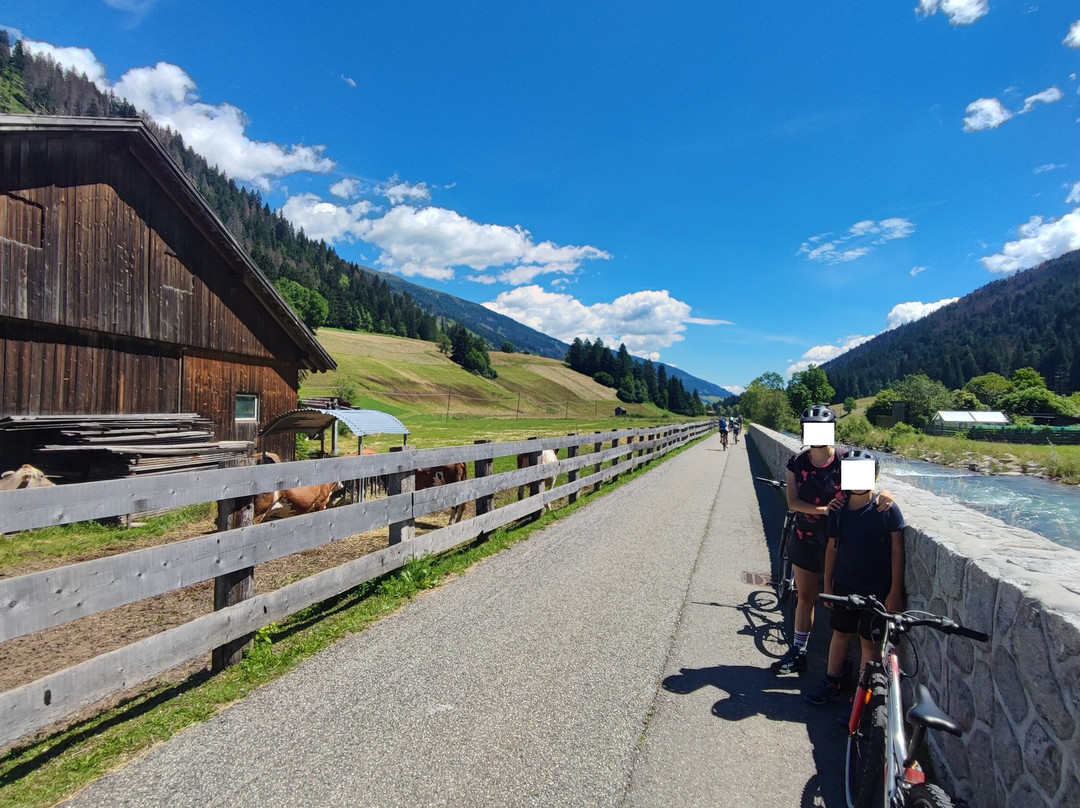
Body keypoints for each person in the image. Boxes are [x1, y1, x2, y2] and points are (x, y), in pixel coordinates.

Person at [771, 405, 894, 675]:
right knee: (805, 596)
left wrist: (885, 492)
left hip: (840, 542)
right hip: (805, 537)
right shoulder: (798, 461)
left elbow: (869, 484)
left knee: (841, 599)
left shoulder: (844, 459)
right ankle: (799, 650)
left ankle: (841, 664)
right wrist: (824, 510)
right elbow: (793, 502)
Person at [805, 450, 905, 704]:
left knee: (869, 643)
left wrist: (894, 591)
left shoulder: (886, 510)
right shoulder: (839, 510)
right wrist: (828, 585)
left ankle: (862, 697)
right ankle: (832, 680)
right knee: (840, 634)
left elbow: (897, 549)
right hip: (845, 587)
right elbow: (832, 548)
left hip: (877, 591)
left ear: (874, 477)